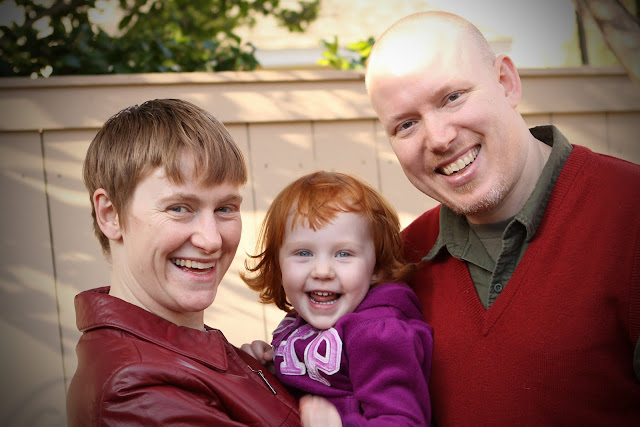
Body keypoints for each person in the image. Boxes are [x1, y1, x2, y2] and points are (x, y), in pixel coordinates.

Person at [365, 10, 640, 425]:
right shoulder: (399, 263)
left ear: (506, 82)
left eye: (452, 97)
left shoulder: (629, 212)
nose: (439, 138)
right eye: (406, 124)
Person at [66, 99, 301, 426]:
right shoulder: (137, 391)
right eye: (179, 208)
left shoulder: (183, 349)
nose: (212, 240)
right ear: (110, 214)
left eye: (225, 208)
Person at [241, 171, 433, 426]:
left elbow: (402, 421)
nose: (322, 271)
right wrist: (271, 368)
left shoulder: (379, 334)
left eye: (343, 254)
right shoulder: (297, 320)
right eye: (304, 253)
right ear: (278, 265)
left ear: (377, 267)